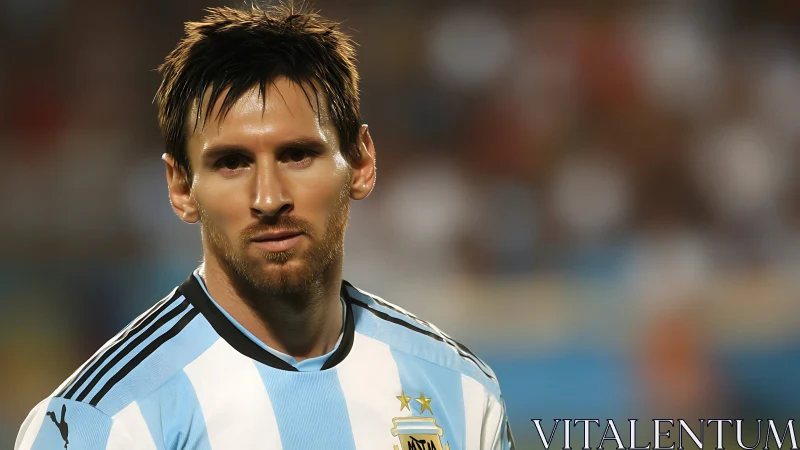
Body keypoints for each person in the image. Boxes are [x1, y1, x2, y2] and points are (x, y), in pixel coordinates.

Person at [15, 3, 514, 449]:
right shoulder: (101, 424)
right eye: (231, 162)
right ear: (181, 187)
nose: (269, 198)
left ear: (361, 163)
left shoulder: (461, 390)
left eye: (297, 155)